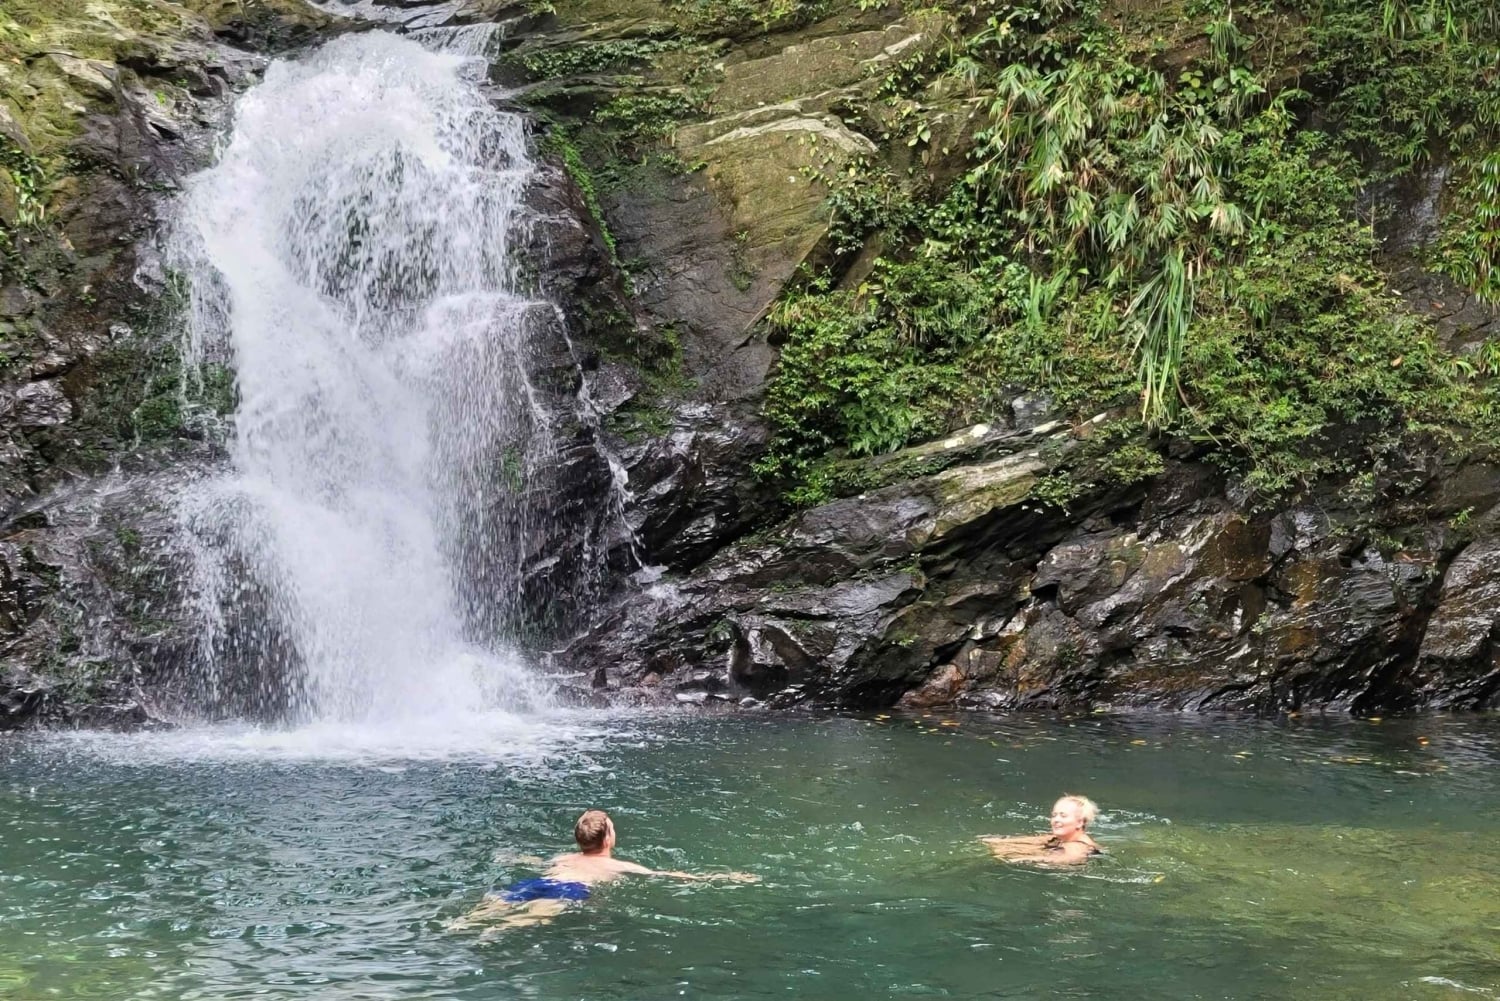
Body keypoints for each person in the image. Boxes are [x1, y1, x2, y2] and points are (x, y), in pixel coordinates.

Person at [450, 809, 756, 931]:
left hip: (540, 880)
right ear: (608, 838)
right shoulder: (616, 865)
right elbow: (666, 876)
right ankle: (493, 932)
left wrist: (513, 857)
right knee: (532, 918)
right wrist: (722, 878)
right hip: (570, 890)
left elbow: (534, 862)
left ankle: (462, 924)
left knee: (499, 903)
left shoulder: (564, 857)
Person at [981, 795, 1102, 867]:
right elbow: (1039, 839)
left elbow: (1071, 859)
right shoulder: (1064, 838)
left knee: (1004, 854)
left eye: (1063, 816)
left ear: (1080, 822)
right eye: (1054, 815)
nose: (1056, 820)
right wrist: (999, 841)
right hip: (1057, 850)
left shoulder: (1078, 846)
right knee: (1001, 849)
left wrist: (1027, 859)